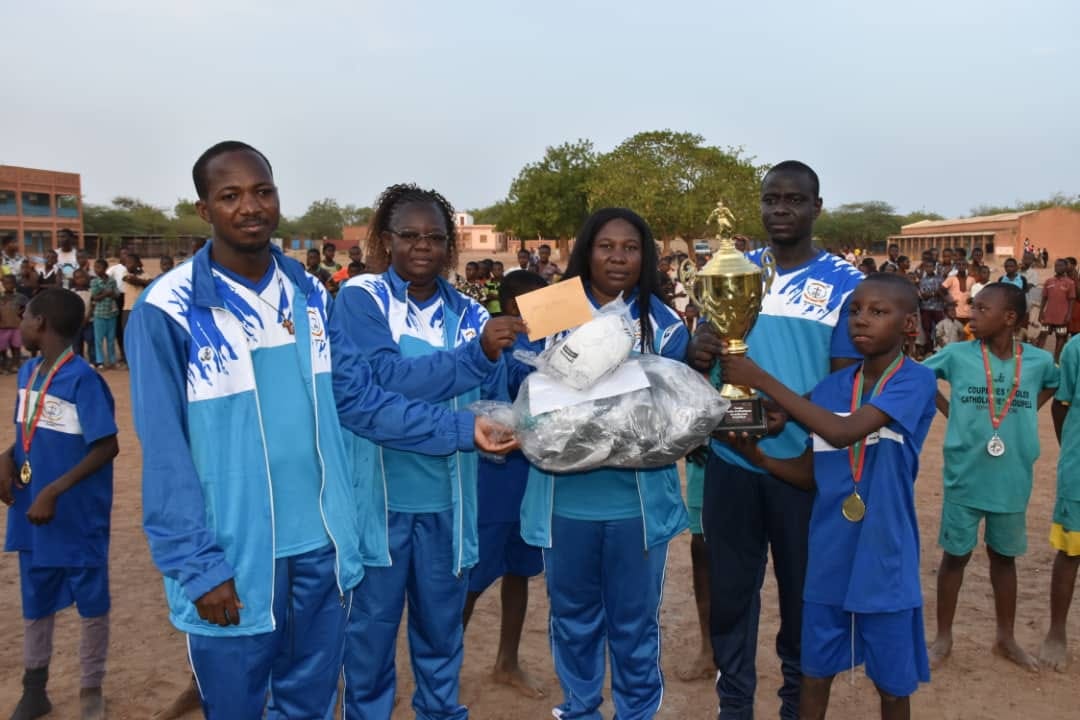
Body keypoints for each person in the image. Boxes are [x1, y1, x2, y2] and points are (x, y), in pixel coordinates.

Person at [130, 145, 517, 720]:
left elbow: (359, 402)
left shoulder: (309, 295)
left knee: (309, 703)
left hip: (322, 548)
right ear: (204, 209)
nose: (250, 206)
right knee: (237, 706)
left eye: (262, 191)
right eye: (230, 195)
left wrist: (464, 428)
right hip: (236, 556)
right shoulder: (168, 308)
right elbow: (164, 453)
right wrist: (198, 565)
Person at [333, 182, 524, 719]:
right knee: (369, 642)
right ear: (385, 240)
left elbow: (496, 398)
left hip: (449, 507)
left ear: (449, 245)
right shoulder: (362, 298)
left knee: (442, 639)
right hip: (379, 507)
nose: (423, 246)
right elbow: (382, 382)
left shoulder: (470, 312)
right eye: (409, 235)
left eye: (435, 237)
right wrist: (476, 356)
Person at [688, 161, 864, 720]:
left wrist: (784, 414)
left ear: (816, 207)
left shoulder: (846, 284)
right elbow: (713, 349)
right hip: (732, 458)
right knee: (731, 597)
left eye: (793, 200)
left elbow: (844, 382)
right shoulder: (734, 270)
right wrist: (699, 350)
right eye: (771, 199)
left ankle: (794, 706)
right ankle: (734, 706)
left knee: (802, 598)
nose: (780, 210)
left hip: (804, 470)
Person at [719, 273, 935, 720]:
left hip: (884, 557)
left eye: (878, 312)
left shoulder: (915, 381)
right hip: (829, 555)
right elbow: (808, 473)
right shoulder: (833, 388)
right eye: (854, 311)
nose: (861, 320)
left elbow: (841, 432)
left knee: (892, 686)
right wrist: (760, 457)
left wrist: (760, 378)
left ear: (910, 324)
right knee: (814, 674)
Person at [515, 207, 690, 720]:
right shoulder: (551, 308)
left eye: (630, 248)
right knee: (573, 619)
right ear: (586, 251)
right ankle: (580, 709)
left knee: (635, 622)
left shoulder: (664, 323)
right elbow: (517, 386)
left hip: (637, 505)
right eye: (606, 246)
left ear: (645, 256)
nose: (618, 257)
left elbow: (672, 413)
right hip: (564, 501)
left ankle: (636, 712)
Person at [923, 283, 1059, 672]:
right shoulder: (957, 354)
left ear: (1010, 318)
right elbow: (918, 377)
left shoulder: (1037, 361)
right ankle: (943, 637)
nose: (972, 314)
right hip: (965, 473)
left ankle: (1005, 638)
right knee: (955, 556)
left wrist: (1026, 410)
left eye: (983, 309)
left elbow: (1054, 383)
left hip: (1012, 475)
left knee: (1004, 557)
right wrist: (951, 412)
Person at [1, 288, 119, 720]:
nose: (19, 320)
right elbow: (30, 435)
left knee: (91, 600)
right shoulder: (27, 372)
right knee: (35, 597)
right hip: (32, 513)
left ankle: (91, 687)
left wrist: (54, 490)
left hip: (74, 514)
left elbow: (106, 446)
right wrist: (7, 457)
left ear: (41, 323)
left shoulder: (83, 379)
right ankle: (35, 688)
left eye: (25, 316)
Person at [463, 269, 548, 699]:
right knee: (474, 577)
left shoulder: (551, 342)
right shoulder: (496, 346)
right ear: (514, 307)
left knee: (521, 570)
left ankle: (507, 661)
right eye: (537, 301)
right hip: (496, 479)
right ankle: (441, 663)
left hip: (532, 477)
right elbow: (500, 400)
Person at [1040, 332, 1080, 672]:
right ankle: (1056, 631)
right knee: (1070, 551)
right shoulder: (1076, 348)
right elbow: (1060, 405)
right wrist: (1071, 451)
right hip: (1078, 470)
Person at [1036, 259, 1076, 363]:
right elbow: (1044, 298)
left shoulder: (1070, 283)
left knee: (1060, 337)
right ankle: (1038, 357)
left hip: (1062, 317)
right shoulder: (1049, 281)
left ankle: (1056, 359)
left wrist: (1069, 315)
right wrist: (1041, 312)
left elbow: (1071, 300)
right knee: (1043, 334)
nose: (1058, 267)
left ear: (1065, 267)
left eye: (1060, 265)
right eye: (1056, 265)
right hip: (1048, 316)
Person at [89, 259, 119, 371]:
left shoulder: (112, 280)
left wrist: (112, 294)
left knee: (111, 339)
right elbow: (95, 297)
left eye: (99, 267)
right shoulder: (94, 281)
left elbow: (117, 294)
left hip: (112, 314)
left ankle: (112, 361)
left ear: (105, 268)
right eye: (95, 267)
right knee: (99, 340)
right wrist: (106, 293)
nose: (96, 270)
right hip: (99, 314)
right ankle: (100, 361)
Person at [917, 257, 945, 357]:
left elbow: (942, 293)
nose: (929, 268)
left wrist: (933, 294)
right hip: (926, 308)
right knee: (926, 329)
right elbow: (924, 296)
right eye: (927, 266)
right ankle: (928, 349)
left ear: (934, 267)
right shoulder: (922, 280)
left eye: (931, 266)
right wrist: (934, 293)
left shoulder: (940, 279)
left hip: (938, 308)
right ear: (924, 268)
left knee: (940, 329)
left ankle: (939, 349)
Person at [1, 273, 28, 374]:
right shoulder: (1, 298)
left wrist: (21, 313)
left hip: (16, 327)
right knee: (2, 348)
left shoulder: (21, 298)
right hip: (2, 327)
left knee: (16, 347)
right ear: (3, 284)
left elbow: (27, 308)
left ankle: (15, 364)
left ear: (15, 284)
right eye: (6, 283)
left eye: (11, 283)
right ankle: (4, 364)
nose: (8, 285)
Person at [70, 269, 95, 361]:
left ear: (87, 278)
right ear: (74, 280)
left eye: (83, 277)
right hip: (76, 323)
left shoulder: (91, 291)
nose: (80, 280)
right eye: (77, 278)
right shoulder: (72, 292)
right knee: (76, 343)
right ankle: (78, 360)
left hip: (89, 321)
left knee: (90, 340)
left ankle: (93, 360)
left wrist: (87, 317)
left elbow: (93, 305)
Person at [1020, 252, 1042, 341]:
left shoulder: (1033, 273)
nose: (1026, 260)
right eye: (1025, 258)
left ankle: (1024, 343)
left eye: (1029, 259)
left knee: (1024, 326)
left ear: (1032, 261)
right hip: (1014, 302)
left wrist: (1017, 283)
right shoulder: (1016, 271)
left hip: (1026, 304)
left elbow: (1028, 287)